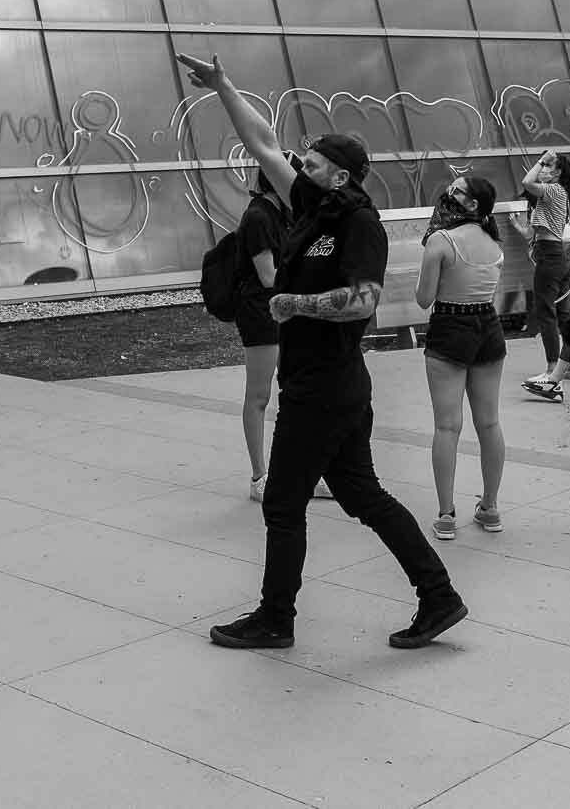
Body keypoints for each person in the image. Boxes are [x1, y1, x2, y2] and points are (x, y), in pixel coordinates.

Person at [176, 52, 466, 651]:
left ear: (339, 175)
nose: (296, 169)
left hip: (327, 386)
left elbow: (364, 302)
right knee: (363, 494)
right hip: (321, 383)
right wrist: (224, 85)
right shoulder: (312, 207)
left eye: (309, 164)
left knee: (283, 502)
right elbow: (261, 143)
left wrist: (294, 306)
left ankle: (275, 619)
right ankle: (439, 597)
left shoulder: (360, 225)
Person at [414, 172, 507, 540]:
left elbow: (424, 299)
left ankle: (446, 514)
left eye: (458, 188)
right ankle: (490, 506)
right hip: (488, 326)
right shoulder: (494, 242)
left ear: (471, 203)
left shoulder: (440, 241)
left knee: (446, 426)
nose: (449, 190)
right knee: (489, 423)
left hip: (450, 327)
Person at [233, 169, 287, 500]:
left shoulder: (284, 213)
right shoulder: (258, 217)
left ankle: (300, 471)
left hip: (285, 309)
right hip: (261, 312)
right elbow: (269, 277)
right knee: (259, 395)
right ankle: (259, 477)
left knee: (295, 392)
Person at [514, 149, 570, 399]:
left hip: (550, 256)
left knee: (546, 313)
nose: (542, 168)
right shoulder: (556, 195)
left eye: (549, 165)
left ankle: (553, 367)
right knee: (561, 312)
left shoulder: (553, 190)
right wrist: (521, 228)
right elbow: (535, 233)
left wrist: (541, 160)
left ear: (559, 172)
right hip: (554, 254)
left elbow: (526, 182)